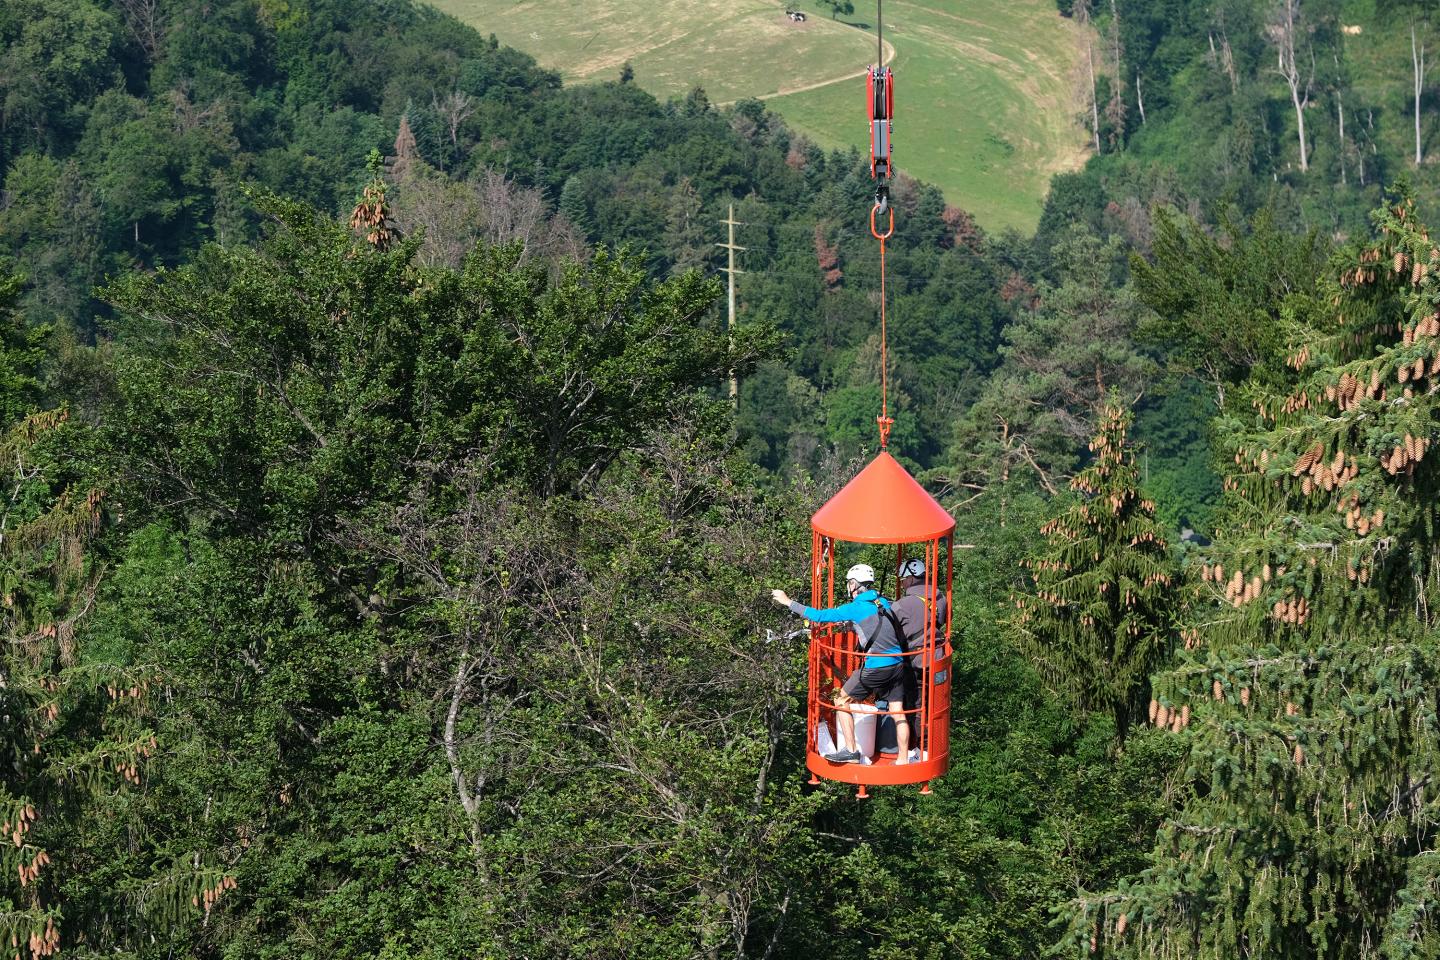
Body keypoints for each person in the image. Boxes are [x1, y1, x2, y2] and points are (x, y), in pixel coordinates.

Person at [770, 563, 910, 764]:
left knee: (841, 700)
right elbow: (875, 626)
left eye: (849, 584)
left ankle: (851, 750)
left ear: (853, 584)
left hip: (877, 666)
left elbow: (818, 616)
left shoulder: (854, 608)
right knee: (898, 711)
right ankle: (903, 758)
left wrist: (787, 601)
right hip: (898, 665)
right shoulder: (883, 602)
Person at [888, 557, 949, 754]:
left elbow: (889, 631)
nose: (902, 583)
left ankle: (918, 748)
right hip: (938, 657)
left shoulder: (901, 605)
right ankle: (929, 743)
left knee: (916, 705)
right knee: (934, 702)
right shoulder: (940, 598)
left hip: (917, 661)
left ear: (912, 579)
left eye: (903, 579)